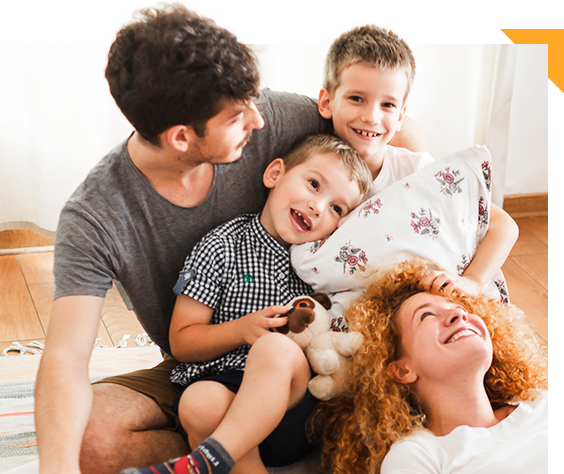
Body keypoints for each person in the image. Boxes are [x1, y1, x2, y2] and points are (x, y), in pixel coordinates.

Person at [34, 4, 425, 473]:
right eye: (239, 115)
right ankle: (230, 451)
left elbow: (394, 127)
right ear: (182, 138)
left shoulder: (275, 117)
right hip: (206, 363)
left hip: (305, 360)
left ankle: (239, 445)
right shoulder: (97, 216)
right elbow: (64, 358)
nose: (257, 121)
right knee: (88, 440)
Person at [121, 134, 371, 474]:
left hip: (293, 406)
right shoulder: (222, 246)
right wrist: (241, 330)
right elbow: (181, 341)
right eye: (314, 185)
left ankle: (209, 457)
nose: (318, 207)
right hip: (224, 388)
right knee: (197, 402)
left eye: (336, 209)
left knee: (274, 348)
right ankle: (220, 460)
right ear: (275, 174)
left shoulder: (326, 267)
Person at [315, 24, 518, 297]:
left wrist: (472, 280)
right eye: (356, 98)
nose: (371, 117)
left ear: (400, 116)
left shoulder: (417, 170)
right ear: (327, 102)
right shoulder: (313, 174)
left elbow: (504, 226)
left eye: (387, 105)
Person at [309, 259, 548, 473]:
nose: (459, 316)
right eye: (426, 316)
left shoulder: (543, 402)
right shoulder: (417, 456)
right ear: (402, 370)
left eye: (460, 308)